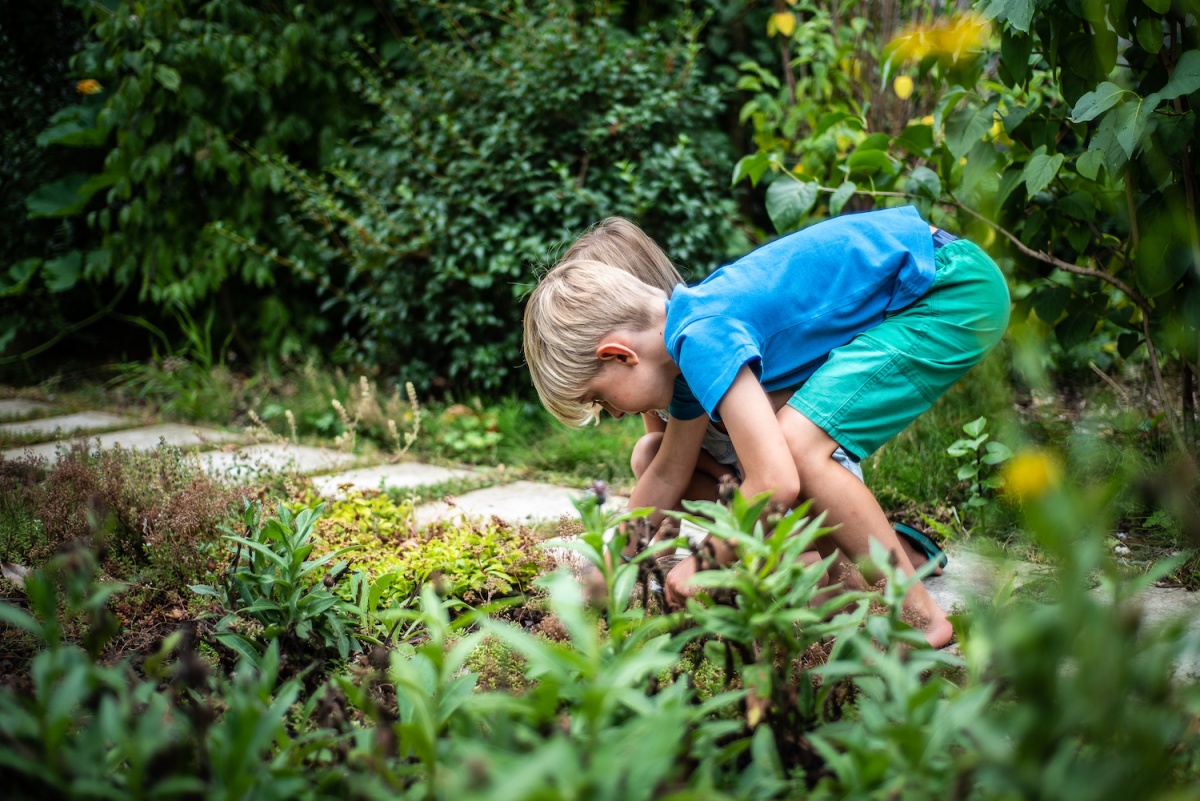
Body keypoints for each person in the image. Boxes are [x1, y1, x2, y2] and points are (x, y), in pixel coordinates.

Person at [523, 206, 1009, 648]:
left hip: (945, 288)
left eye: (600, 399)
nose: (612, 413)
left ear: (618, 355)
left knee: (796, 449)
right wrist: (613, 561)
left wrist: (707, 559)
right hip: (928, 288)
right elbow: (669, 470)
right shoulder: (684, 347)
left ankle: (920, 618)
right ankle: (854, 591)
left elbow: (775, 482)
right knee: (788, 450)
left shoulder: (701, 334)